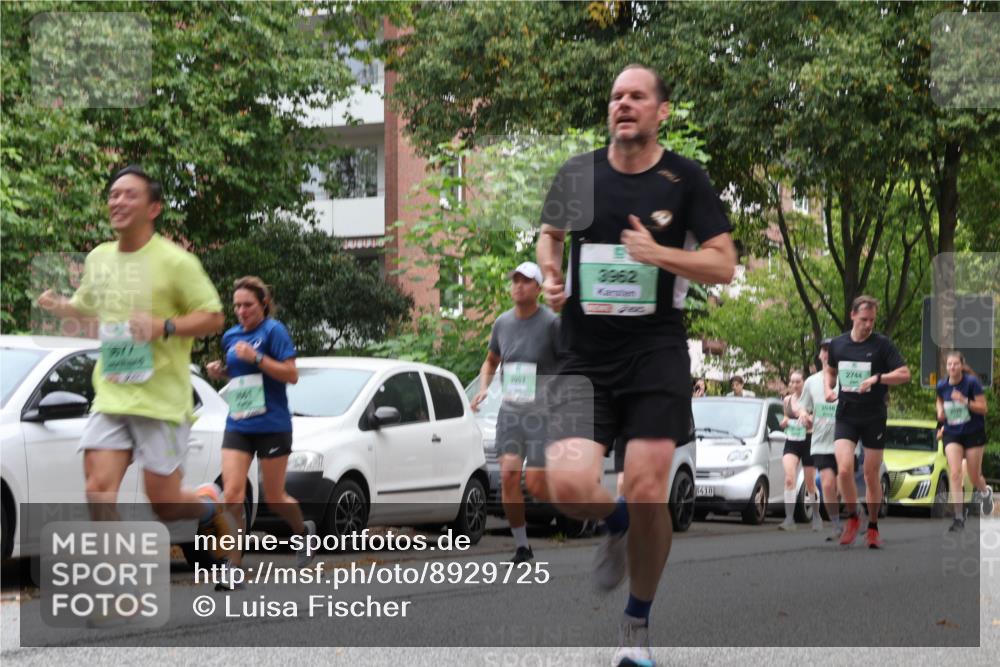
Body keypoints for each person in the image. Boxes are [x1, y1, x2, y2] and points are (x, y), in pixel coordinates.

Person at [537, 64, 737, 667]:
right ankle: (616, 522)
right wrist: (550, 272)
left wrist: (659, 255)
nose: (623, 104)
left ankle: (636, 627)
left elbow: (724, 264)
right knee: (567, 487)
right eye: (616, 96)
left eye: (637, 96)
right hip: (583, 354)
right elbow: (549, 236)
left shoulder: (685, 180)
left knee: (649, 487)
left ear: (660, 112)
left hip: (654, 351)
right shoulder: (579, 173)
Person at [37, 165, 229, 551]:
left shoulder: (176, 262)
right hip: (112, 394)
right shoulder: (99, 258)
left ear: (154, 208)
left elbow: (213, 316)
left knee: (166, 504)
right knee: (97, 490)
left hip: (161, 400)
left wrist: (165, 327)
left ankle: (211, 506)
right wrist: (61, 307)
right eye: (113, 194)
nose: (118, 201)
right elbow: (88, 307)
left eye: (130, 195)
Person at [206, 277, 315, 574]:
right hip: (239, 423)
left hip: (272, 424)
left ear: (263, 304)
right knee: (231, 494)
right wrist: (221, 371)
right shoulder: (230, 336)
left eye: (248, 305)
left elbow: (290, 374)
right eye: (237, 306)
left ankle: (302, 532)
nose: (241, 311)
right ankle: (232, 564)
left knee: (275, 497)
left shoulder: (274, 331)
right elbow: (240, 375)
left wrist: (256, 356)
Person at [470, 261, 560, 563]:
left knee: (535, 484)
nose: (518, 285)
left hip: (541, 415)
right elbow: (491, 360)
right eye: (515, 281)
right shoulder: (502, 323)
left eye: (526, 281)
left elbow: (569, 363)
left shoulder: (551, 323)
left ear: (537, 287)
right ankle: (522, 545)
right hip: (510, 412)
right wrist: (484, 387)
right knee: (508, 474)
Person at [825, 295, 911, 548]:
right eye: (864, 319)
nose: (868, 325)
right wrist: (828, 387)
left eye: (872, 320)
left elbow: (904, 374)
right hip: (846, 413)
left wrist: (878, 379)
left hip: (873, 415)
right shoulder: (838, 344)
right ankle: (854, 516)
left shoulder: (882, 345)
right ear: (852, 316)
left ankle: (873, 526)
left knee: (871, 473)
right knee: (843, 469)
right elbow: (830, 369)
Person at [935, 350, 993, 530]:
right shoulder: (942, 385)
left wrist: (964, 400)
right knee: (955, 473)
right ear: (946, 367)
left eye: (956, 364)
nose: (952, 367)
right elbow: (939, 400)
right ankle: (958, 517)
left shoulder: (971, 383)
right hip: (952, 432)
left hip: (973, 432)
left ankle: (985, 492)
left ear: (962, 365)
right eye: (949, 364)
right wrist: (940, 416)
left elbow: (984, 408)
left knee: (974, 475)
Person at [799, 339, 840, 540]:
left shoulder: (847, 379)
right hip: (821, 442)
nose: (827, 354)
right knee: (826, 484)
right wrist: (803, 415)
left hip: (845, 440)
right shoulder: (811, 381)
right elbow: (801, 406)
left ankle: (855, 511)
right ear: (820, 355)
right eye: (824, 350)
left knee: (841, 486)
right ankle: (836, 524)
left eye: (831, 350)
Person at [778, 370, 820, 531]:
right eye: (792, 382)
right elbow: (786, 417)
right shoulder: (787, 400)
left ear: (804, 383)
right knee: (789, 478)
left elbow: (818, 421)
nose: (794, 385)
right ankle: (789, 519)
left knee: (810, 484)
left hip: (808, 441)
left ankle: (816, 516)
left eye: (798, 381)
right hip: (792, 441)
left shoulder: (812, 401)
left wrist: (808, 420)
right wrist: (785, 421)